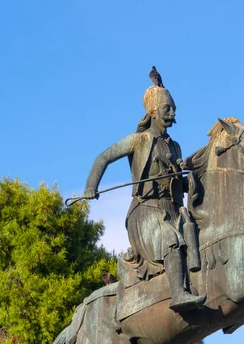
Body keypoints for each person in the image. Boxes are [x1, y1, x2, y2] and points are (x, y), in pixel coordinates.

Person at [83, 83, 206, 312]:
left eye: (174, 108)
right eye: (167, 108)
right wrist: (91, 186)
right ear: (153, 111)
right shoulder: (139, 140)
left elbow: (177, 186)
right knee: (170, 238)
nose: (172, 113)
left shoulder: (175, 147)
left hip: (173, 210)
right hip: (145, 211)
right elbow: (103, 158)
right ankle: (178, 295)